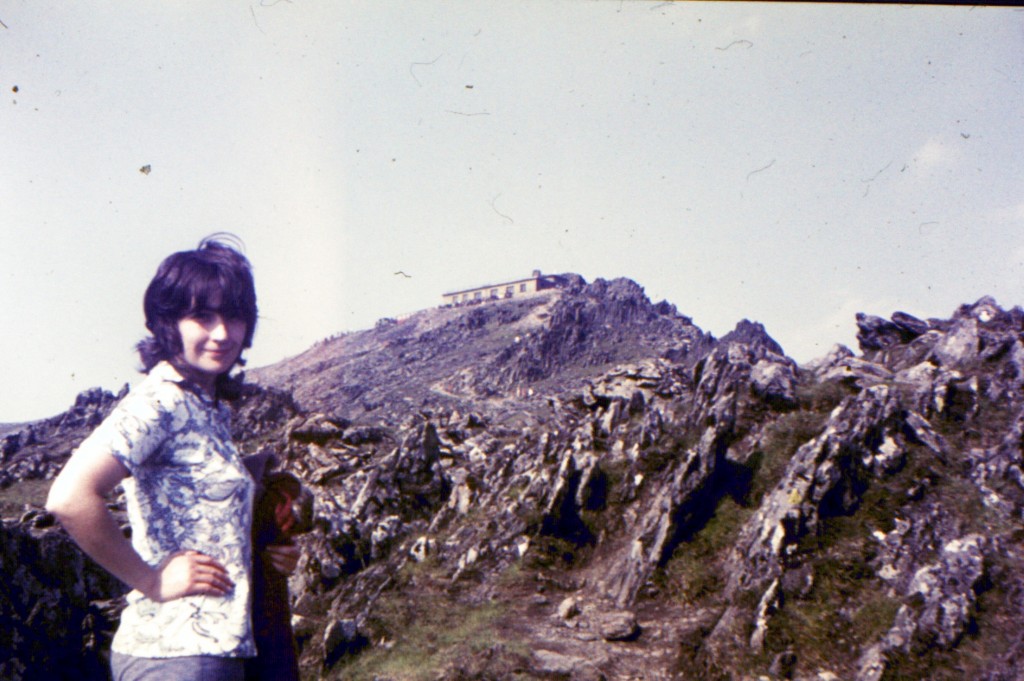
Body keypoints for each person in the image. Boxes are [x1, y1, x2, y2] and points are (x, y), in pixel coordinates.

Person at [46, 236, 299, 681]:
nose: (222, 333)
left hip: (223, 651)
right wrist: (151, 580)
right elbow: (69, 497)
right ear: (168, 323)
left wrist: (268, 554)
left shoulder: (206, 407)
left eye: (234, 315)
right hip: (177, 655)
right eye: (202, 315)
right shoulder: (159, 402)